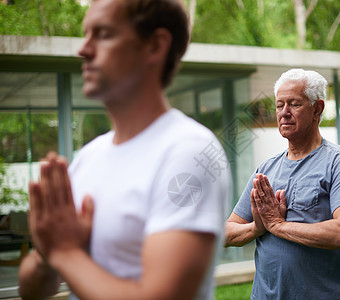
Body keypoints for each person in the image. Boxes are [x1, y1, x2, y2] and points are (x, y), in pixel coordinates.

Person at [18, 0, 231, 299]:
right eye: (86, 33)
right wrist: (45, 254)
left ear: (155, 46)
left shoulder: (189, 152)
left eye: (103, 34)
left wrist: (64, 252)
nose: (84, 49)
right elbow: (32, 291)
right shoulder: (88, 157)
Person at [225, 68, 340, 299]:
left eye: (294, 104)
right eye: (280, 105)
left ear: (317, 109)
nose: (284, 113)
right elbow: (227, 231)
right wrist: (257, 228)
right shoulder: (265, 170)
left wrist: (278, 226)